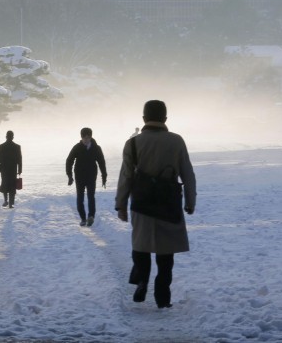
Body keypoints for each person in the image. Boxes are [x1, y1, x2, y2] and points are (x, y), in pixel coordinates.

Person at [115, 99, 196, 309]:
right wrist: (190, 201)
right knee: (165, 252)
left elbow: (126, 176)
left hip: (141, 203)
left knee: (140, 245)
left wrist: (121, 204)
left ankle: (142, 279)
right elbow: (187, 173)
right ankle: (163, 296)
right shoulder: (176, 141)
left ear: (144, 119)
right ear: (165, 119)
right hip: (168, 203)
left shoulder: (133, 143)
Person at [66, 127, 107, 227]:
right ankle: (83, 218)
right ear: (81, 137)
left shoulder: (96, 148)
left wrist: (104, 176)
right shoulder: (77, 147)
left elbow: (101, 162)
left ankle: (91, 216)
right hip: (79, 176)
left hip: (91, 175)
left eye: (88, 137)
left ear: (91, 137)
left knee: (91, 196)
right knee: (80, 198)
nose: (86, 139)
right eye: (84, 137)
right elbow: (69, 161)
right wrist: (70, 176)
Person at [0, 130, 22, 208]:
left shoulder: (1, 146)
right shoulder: (17, 147)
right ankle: (11, 203)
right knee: (12, 186)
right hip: (13, 169)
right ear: (13, 137)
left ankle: (5, 201)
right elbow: (19, 159)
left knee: (4, 184)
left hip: (4, 169)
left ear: (6, 136)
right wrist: (20, 170)